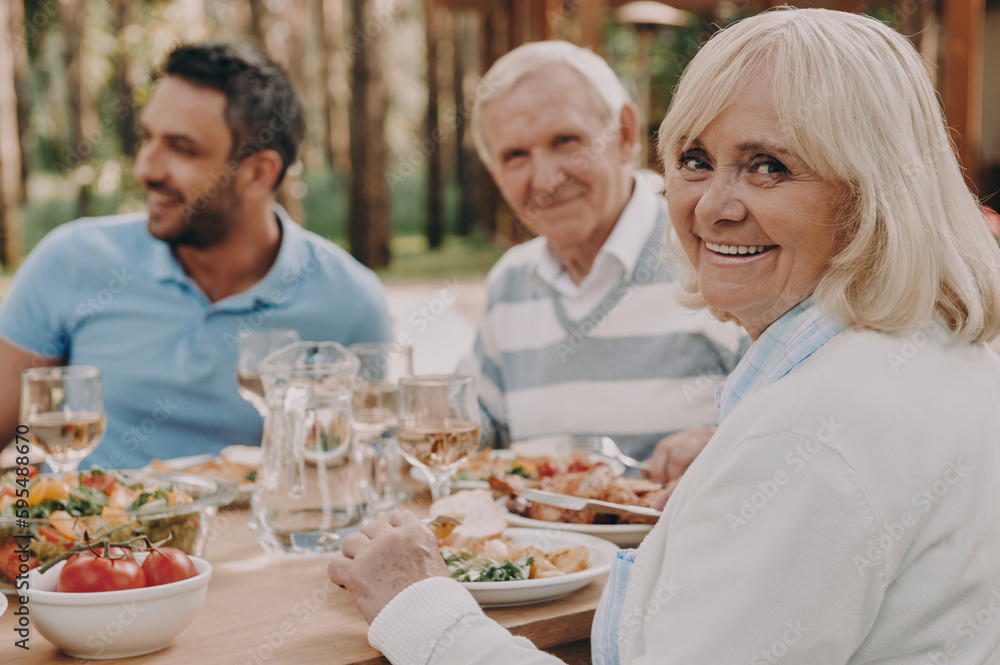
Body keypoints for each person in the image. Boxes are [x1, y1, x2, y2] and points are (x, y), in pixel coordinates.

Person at [328, 9, 1000, 664]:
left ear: (873, 191)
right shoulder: (946, 351)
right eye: (696, 158)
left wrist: (420, 605)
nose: (712, 206)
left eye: (768, 164)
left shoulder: (808, 433)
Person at [0, 42, 392, 469]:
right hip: (86, 531)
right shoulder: (70, 261)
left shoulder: (350, 304)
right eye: (148, 138)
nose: (146, 169)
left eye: (182, 149)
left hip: (251, 534)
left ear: (259, 173)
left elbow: (363, 479)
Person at [464, 40, 747, 475]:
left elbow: (794, 427)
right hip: (545, 544)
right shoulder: (511, 282)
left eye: (565, 141)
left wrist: (725, 442)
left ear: (625, 134)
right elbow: (468, 439)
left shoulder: (722, 253)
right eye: (515, 155)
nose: (545, 179)